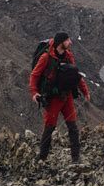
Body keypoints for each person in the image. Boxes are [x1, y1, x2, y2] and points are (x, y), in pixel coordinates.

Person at [29, 32, 90, 163]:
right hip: (53, 98)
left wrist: (85, 91)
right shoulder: (46, 57)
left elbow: (76, 75)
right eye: (67, 40)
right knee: (49, 127)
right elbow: (34, 75)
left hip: (66, 97)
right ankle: (42, 157)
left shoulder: (68, 56)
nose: (70, 43)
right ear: (61, 42)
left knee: (73, 127)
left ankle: (75, 158)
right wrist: (34, 93)